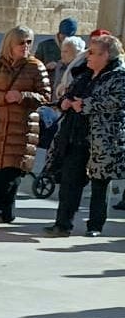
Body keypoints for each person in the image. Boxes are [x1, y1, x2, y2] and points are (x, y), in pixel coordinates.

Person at [47, 34, 124, 237]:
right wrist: (64, 101)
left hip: (101, 140)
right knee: (70, 181)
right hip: (75, 134)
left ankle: (95, 226)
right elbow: (69, 93)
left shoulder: (119, 76)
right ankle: (62, 224)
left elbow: (116, 102)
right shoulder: (84, 74)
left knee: (99, 183)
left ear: (105, 55)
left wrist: (86, 105)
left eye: (93, 52)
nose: (88, 56)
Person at [0, 27, 50, 225]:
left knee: (12, 171)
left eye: (29, 42)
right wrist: (3, 98)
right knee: (1, 170)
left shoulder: (36, 67)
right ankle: (5, 212)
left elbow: (45, 96)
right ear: (11, 44)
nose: (26, 46)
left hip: (23, 127)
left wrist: (23, 96)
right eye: (21, 42)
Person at [49, 35, 87, 100]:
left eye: (66, 51)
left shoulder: (83, 68)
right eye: (62, 51)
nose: (62, 54)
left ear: (77, 52)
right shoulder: (59, 65)